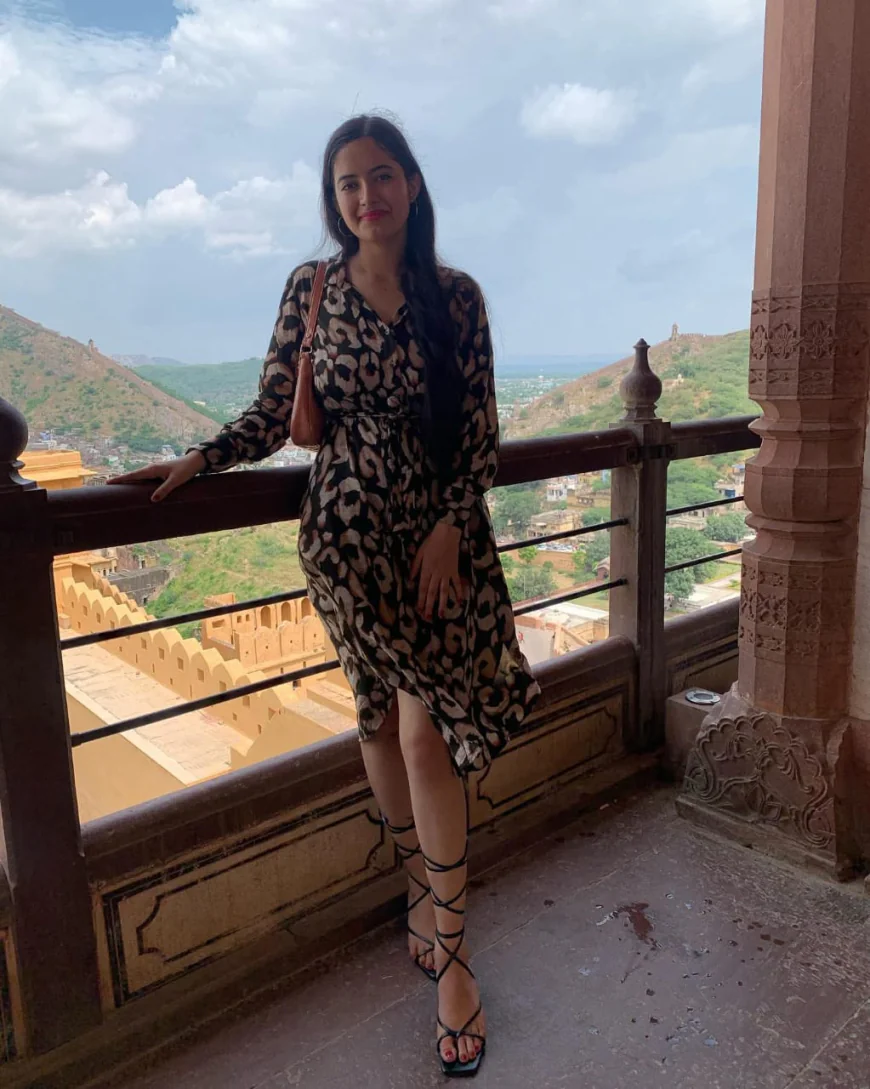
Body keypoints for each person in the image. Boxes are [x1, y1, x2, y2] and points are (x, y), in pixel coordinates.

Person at [112, 114, 540, 1077]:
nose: (365, 196)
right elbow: (276, 410)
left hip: (436, 548)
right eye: (348, 183)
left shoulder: (456, 297)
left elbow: (480, 431)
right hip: (344, 545)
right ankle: (421, 888)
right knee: (380, 720)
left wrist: (448, 526)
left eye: (381, 176)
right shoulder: (312, 289)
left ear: (412, 185)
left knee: (428, 736)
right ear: (334, 198)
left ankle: (455, 959)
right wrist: (199, 458)